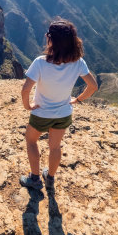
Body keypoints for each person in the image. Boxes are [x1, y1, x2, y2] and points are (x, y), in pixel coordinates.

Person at [20, 18, 98, 191]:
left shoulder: (40, 62)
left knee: (31, 141)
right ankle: (50, 178)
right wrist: (77, 100)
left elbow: (25, 90)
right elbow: (93, 86)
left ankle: (34, 179)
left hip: (41, 114)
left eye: (48, 35)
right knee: (55, 146)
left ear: (51, 40)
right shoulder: (78, 63)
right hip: (63, 114)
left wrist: (28, 106)